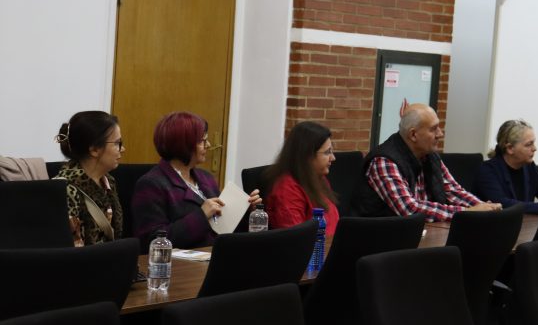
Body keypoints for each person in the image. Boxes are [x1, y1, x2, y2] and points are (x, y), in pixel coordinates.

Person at [132, 111, 261, 251]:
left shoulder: (206, 178)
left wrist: (246, 211)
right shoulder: (151, 184)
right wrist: (201, 215)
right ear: (182, 144)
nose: (208, 145)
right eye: (202, 141)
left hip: (215, 256)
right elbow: (152, 241)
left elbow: (222, 228)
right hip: (181, 263)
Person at [351, 103, 501, 220]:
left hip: (418, 233)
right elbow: (409, 209)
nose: (440, 134)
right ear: (413, 135)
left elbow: (453, 191)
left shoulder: (430, 155)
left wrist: (484, 207)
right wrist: (466, 212)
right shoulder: (384, 161)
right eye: (433, 129)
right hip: (378, 239)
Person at [54, 111, 124, 246]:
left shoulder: (108, 182)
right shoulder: (65, 190)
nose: (122, 149)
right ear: (94, 149)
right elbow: (71, 249)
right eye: (117, 143)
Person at [473, 119, 538, 212]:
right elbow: (503, 204)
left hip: (524, 222)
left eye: (533, 143)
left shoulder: (530, 167)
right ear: (510, 148)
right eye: (529, 144)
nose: (534, 148)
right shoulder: (487, 171)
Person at [265, 121, 340, 235]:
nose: (333, 158)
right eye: (327, 152)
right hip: (312, 246)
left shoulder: (318, 178)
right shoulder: (287, 189)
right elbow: (296, 237)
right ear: (307, 155)